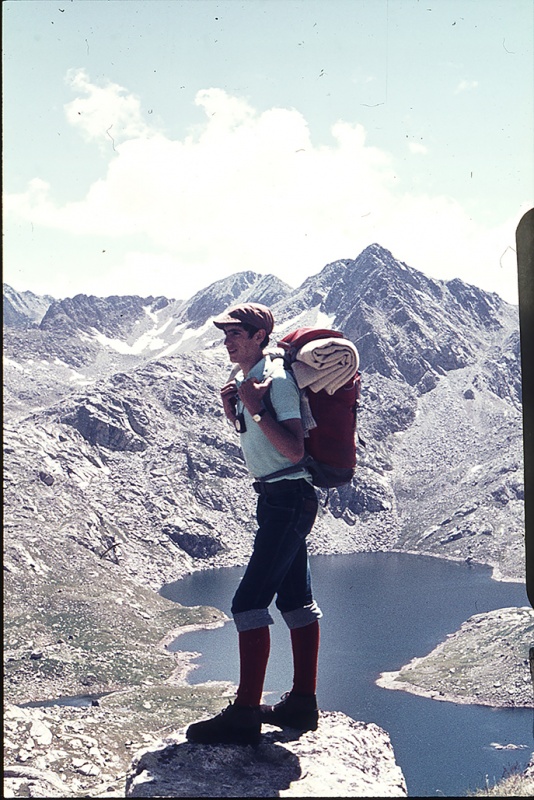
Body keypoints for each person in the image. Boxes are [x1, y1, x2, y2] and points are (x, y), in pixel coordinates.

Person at [186, 302, 322, 746]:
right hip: (280, 500)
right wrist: (239, 412)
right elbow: (265, 443)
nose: (228, 340)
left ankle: (245, 713)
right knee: (296, 601)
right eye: (226, 334)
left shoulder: (276, 379)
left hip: (287, 500)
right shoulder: (251, 379)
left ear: (260, 335)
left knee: (248, 603)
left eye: (236, 333)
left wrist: (257, 408)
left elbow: (295, 451)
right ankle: (301, 704)